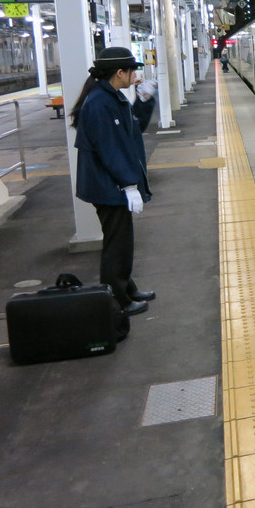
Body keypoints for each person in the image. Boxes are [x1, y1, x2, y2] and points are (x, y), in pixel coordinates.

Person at [69, 47, 158, 316]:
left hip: (112, 184)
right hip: (108, 185)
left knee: (122, 241)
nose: (135, 75)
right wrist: (129, 184)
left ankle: (127, 289)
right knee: (116, 245)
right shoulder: (99, 103)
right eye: (132, 71)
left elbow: (133, 129)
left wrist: (143, 101)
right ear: (120, 72)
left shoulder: (111, 97)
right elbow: (109, 149)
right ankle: (118, 301)